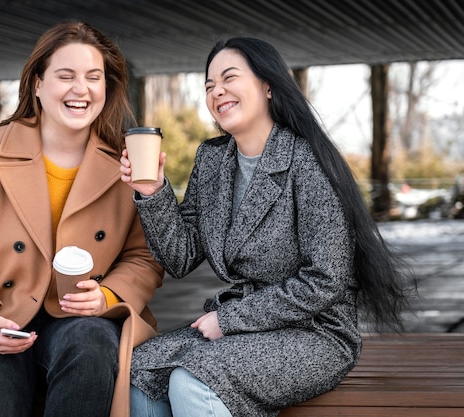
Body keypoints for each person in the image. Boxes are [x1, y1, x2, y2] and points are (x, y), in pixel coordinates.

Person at [120, 37, 412, 417]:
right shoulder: (212, 160)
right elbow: (180, 257)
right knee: (140, 370)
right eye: (208, 86)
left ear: (268, 85)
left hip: (315, 332)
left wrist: (229, 319)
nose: (216, 91)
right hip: (245, 331)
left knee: (193, 380)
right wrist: (153, 192)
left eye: (229, 78)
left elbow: (324, 279)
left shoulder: (307, 161)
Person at [0, 20, 164, 417]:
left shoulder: (128, 164)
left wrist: (105, 297)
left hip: (82, 319)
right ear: (37, 83)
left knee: (92, 344)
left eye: (93, 77)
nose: (80, 89)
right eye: (65, 76)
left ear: (107, 86)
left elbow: (145, 256)